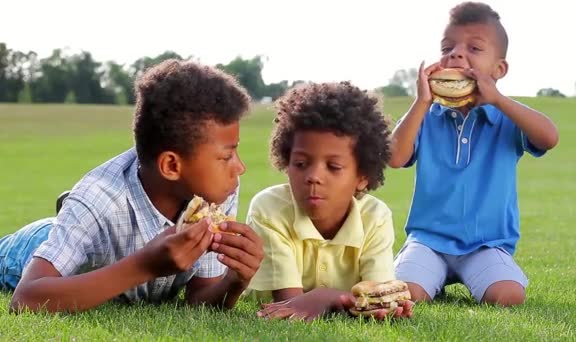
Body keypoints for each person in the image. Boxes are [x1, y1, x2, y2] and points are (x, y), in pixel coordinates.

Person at [2, 59, 264, 313]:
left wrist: (235, 281)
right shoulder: (98, 198)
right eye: (226, 156)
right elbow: (25, 300)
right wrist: (145, 265)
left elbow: (200, 297)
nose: (239, 168)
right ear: (172, 166)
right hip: (26, 251)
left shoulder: (215, 191)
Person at [390, 2, 559, 306]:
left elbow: (549, 137)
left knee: (508, 296)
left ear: (499, 69)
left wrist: (497, 99)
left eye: (474, 48)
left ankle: (456, 278)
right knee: (407, 294)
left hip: (486, 245)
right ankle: (432, 279)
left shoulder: (508, 118)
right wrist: (421, 102)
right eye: (447, 47)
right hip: (428, 242)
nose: (455, 53)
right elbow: (394, 157)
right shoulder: (427, 116)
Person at [248, 81, 414, 321]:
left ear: (362, 177)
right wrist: (337, 298)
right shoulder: (269, 210)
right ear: (286, 162)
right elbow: (288, 302)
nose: (314, 177)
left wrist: (331, 297)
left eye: (333, 167)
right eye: (301, 164)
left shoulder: (375, 218)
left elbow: (377, 299)